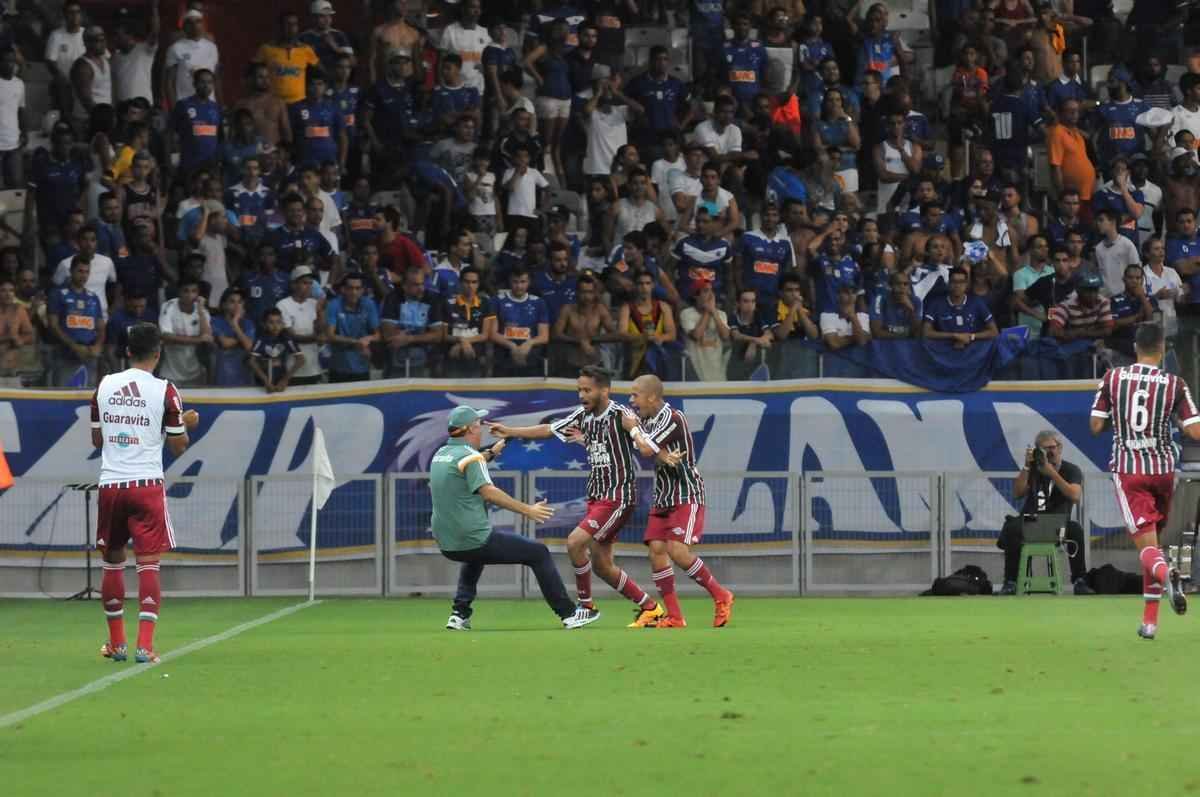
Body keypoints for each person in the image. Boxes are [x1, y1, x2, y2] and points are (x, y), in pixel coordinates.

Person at [489, 367, 667, 626]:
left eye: (587, 390)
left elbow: (645, 446)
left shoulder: (621, 414)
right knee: (602, 566)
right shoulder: (583, 416)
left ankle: (586, 607)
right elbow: (549, 429)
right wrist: (511, 431)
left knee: (574, 542)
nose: (582, 395)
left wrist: (640, 435)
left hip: (618, 496)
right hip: (597, 497)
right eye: (579, 390)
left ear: (604, 390)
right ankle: (651, 608)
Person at [431, 405, 598, 631]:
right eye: (479, 426)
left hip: (446, 542)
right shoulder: (471, 457)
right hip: (473, 538)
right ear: (470, 429)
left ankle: (459, 615)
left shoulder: (441, 454)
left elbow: (463, 467)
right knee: (538, 553)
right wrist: (528, 510)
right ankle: (568, 614)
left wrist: (491, 453)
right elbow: (489, 492)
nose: (481, 430)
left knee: (474, 557)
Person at [91, 322, 200, 664]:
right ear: (158, 352)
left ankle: (117, 644)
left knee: (112, 562)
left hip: (112, 484)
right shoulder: (166, 390)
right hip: (146, 485)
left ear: (127, 351)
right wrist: (184, 424)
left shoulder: (105, 385)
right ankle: (145, 646)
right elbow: (179, 446)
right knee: (148, 563)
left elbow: (97, 439)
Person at [1090, 322, 1200, 639]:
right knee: (1152, 546)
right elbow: (1194, 431)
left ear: (1135, 347)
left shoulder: (1113, 378)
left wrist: (1118, 417)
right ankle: (1150, 622)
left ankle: (1169, 575)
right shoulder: (1174, 384)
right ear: (1162, 348)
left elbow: (1095, 425)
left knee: (1149, 550)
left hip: (1130, 470)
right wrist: (1173, 418)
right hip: (1163, 471)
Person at [625, 374, 734, 628]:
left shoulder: (673, 418)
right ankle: (675, 617)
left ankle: (721, 595)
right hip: (663, 495)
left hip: (686, 493)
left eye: (635, 395)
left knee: (677, 550)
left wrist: (636, 432)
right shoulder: (646, 419)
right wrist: (659, 452)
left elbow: (645, 448)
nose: (631, 400)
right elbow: (643, 443)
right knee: (656, 550)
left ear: (652, 397)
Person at [995, 431, 1092, 595]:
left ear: (1060, 448)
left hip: (1058, 525)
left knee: (1076, 529)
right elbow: (1017, 493)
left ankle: (1079, 581)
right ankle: (1011, 582)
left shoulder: (1071, 470)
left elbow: (1075, 495)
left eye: (1052, 447)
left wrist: (1052, 473)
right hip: (1032, 522)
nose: (1050, 452)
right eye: (1045, 449)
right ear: (1038, 451)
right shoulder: (1033, 469)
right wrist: (1027, 466)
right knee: (1012, 527)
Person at [48, 258, 104, 387]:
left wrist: (98, 345)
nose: (83, 275)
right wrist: (74, 346)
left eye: (87, 272)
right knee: (62, 394)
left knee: (88, 394)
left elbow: (101, 327)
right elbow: (53, 325)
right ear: (71, 271)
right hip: (65, 354)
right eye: (80, 271)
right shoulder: (57, 295)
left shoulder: (93, 297)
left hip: (89, 355)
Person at [922, 266, 1000, 348]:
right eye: (954, 282)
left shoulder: (977, 302)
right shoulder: (936, 303)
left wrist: (971, 336)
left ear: (966, 284)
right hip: (943, 349)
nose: (957, 285)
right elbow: (926, 332)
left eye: (961, 282)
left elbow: (994, 332)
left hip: (972, 348)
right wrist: (954, 336)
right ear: (948, 283)